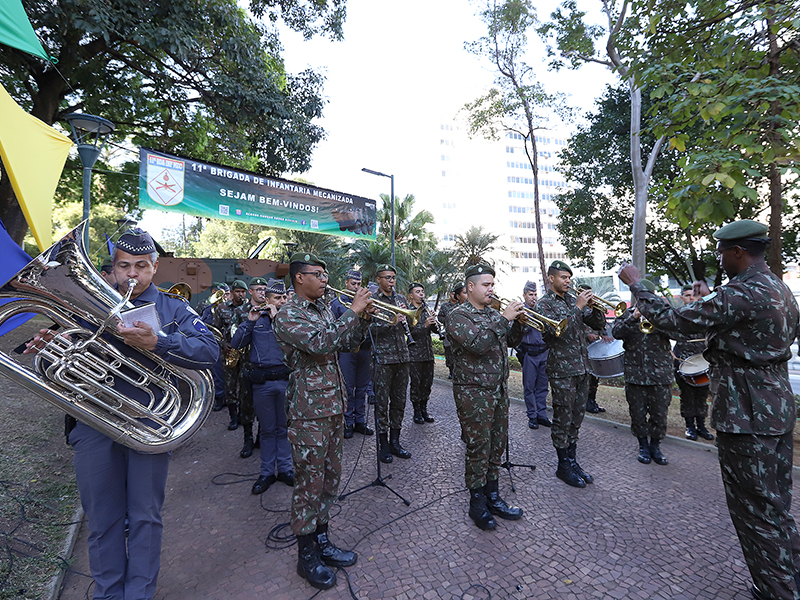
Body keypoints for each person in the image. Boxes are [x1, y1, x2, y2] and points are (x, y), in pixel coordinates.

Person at [26, 228, 218, 600]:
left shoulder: (172, 308)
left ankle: (139, 595)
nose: (133, 274)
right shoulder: (85, 304)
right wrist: (51, 347)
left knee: (146, 518)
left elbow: (209, 349)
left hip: (148, 424)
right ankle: (109, 594)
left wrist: (159, 342)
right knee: (101, 520)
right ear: (113, 269)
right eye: (125, 266)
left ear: (155, 267)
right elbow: (63, 355)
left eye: (142, 266)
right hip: (94, 422)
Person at [619, 220, 800, 600]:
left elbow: (675, 321)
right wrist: (715, 297)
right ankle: (789, 576)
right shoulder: (777, 287)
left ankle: (776, 590)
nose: (719, 257)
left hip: (747, 414)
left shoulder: (743, 293)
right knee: (775, 505)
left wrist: (637, 284)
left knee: (754, 512)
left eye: (722, 252)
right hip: (776, 408)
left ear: (738, 252)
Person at [273, 252, 374, 591]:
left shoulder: (323, 310)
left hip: (332, 407)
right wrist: (353, 312)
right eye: (318, 274)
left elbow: (346, 343)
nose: (325, 279)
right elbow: (320, 343)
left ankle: (323, 541)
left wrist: (362, 320)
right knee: (309, 483)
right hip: (308, 412)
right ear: (299, 278)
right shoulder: (288, 315)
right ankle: (306, 556)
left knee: (330, 480)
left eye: (326, 274)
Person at [447, 263, 525, 531]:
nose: (492, 289)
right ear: (470, 287)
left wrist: (519, 323)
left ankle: (493, 495)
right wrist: (504, 318)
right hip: (473, 392)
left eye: (493, 284)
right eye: (486, 284)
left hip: (498, 389)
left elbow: (510, 341)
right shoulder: (458, 316)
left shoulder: (493, 314)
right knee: (478, 446)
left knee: (497, 444)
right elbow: (479, 345)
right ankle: (477, 501)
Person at [535, 261, 606, 488]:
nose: (568, 281)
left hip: (582, 368)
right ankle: (563, 465)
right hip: (562, 371)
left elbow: (596, 324)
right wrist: (577, 307)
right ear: (551, 279)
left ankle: (572, 461)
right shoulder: (543, 305)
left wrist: (594, 307)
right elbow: (557, 331)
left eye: (569, 278)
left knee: (576, 418)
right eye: (564, 277)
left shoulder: (570, 300)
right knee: (563, 418)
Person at [232, 278, 293, 495]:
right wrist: (250, 321)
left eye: (284, 297)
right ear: (266, 299)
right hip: (263, 383)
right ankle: (267, 472)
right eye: (277, 298)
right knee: (267, 430)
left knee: (284, 428)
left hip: (285, 381)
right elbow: (236, 344)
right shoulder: (255, 318)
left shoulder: (289, 319)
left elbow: (295, 344)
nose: (282, 301)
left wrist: (278, 319)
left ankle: (286, 469)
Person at [611, 279, 674, 465]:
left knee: (659, 415)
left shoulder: (664, 315)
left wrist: (659, 317)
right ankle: (643, 446)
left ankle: (656, 446)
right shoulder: (626, 314)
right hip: (635, 376)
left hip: (660, 375)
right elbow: (616, 332)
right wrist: (634, 318)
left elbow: (679, 334)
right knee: (637, 415)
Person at [370, 264, 412, 463]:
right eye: (387, 277)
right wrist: (389, 322)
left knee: (399, 402)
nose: (391, 281)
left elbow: (411, 324)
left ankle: (395, 442)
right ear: (378, 280)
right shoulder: (372, 301)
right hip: (383, 359)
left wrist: (408, 318)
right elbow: (367, 328)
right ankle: (383, 445)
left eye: (393, 277)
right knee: (381, 403)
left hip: (402, 357)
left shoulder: (401, 299)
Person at [330, 269, 374, 438]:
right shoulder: (336, 303)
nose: (356, 287)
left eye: (358, 284)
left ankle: (360, 421)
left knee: (362, 387)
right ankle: (347, 422)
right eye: (353, 283)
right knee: (348, 388)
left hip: (364, 349)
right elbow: (333, 327)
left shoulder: (366, 301)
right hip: (346, 351)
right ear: (346, 283)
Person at [232, 277, 268, 458]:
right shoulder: (240, 312)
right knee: (246, 405)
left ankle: (262, 436)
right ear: (251, 292)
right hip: (247, 365)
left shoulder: (270, 311)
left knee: (265, 405)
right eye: (259, 289)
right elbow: (233, 337)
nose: (262, 292)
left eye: (264, 289)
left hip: (266, 367)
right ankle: (247, 439)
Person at [674, 284, 714, 441]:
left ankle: (702, 426)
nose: (691, 298)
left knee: (702, 395)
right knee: (688, 395)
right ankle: (690, 426)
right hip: (684, 361)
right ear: (682, 298)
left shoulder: (705, 315)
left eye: (693, 295)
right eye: (687, 295)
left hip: (703, 360)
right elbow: (664, 332)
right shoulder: (678, 315)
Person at [213, 279, 248, 430]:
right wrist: (223, 344)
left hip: (247, 354)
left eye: (243, 292)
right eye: (238, 291)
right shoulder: (221, 308)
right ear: (232, 292)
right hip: (229, 352)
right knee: (230, 386)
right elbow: (214, 330)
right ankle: (233, 418)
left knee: (246, 387)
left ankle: (243, 416)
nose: (240, 294)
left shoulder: (250, 308)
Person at [516, 281, 551, 430]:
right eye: (530, 294)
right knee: (529, 387)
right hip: (529, 353)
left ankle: (542, 414)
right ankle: (532, 415)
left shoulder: (542, 310)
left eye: (536, 294)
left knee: (543, 386)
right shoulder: (520, 311)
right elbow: (516, 333)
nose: (534, 297)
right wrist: (523, 321)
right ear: (524, 295)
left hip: (544, 351)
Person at [407, 281, 438, 424]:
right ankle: (417, 411)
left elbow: (434, 331)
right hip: (414, 354)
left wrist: (434, 323)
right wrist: (424, 326)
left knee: (427, 383)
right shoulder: (407, 311)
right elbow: (408, 334)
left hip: (428, 354)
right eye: (418, 292)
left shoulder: (426, 310)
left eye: (422, 292)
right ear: (411, 295)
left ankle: (424, 409)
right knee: (416, 384)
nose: (421, 295)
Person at [200, 282, 230, 412]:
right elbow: (203, 323)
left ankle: (232, 399)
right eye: (223, 294)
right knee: (217, 373)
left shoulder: (231, 306)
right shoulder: (207, 307)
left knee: (231, 374)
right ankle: (219, 398)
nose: (226, 297)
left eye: (227, 294)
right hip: (215, 344)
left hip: (229, 344)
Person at [438, 282, 467, 379]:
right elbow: (440, 317)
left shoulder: (462, 305)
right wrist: (447, 320)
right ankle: (451, 370)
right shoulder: (445, 306)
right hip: (448, 332)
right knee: (449, 352)